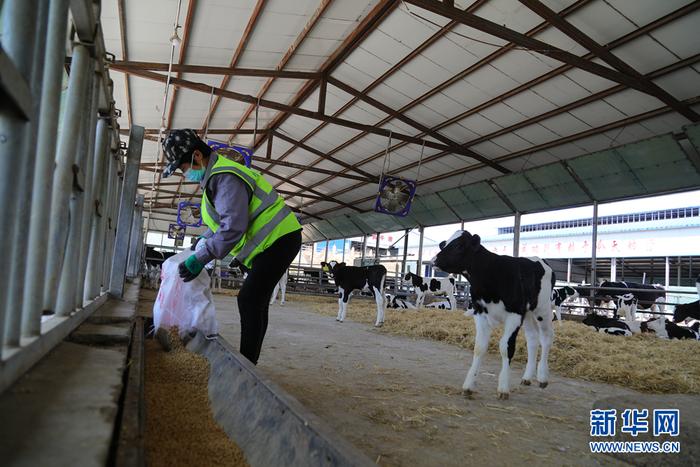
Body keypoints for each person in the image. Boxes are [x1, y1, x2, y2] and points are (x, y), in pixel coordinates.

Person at [161, 129, 302, 364]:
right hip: (273, 242)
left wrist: (201, 258)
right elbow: (222, 221)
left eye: (183, 168)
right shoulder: (215, 178)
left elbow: (233, 226)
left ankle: (246, 366)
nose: (184, 174)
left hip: (279, 239)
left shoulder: (224, 176)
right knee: (256, 301)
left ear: (197, 155)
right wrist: (203, 239)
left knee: (248, 299)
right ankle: (250, 363)